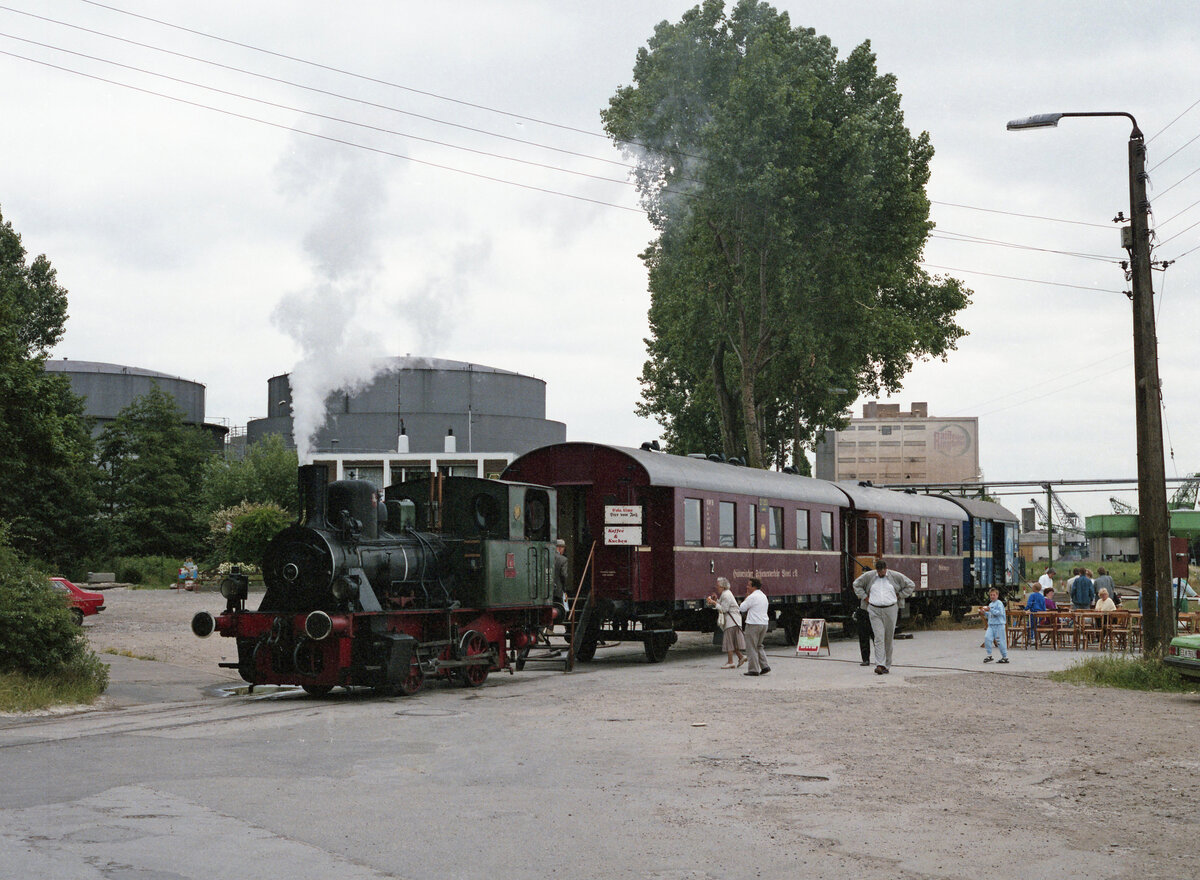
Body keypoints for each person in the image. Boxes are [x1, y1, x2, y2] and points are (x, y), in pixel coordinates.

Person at [852, 559, 915, 675]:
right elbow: (856, 584)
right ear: (876, 570)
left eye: (883, 571)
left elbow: (910, 585)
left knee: (888, 638)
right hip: (874, 609)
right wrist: (864, 597)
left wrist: (900, 595)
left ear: (886, 569)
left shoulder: (895, 576)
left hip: (890, 609)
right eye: (879, 571)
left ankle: (887, 664)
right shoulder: (869, 576)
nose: (881, 573)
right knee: (878, 637)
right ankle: (879, 665)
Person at [705, 577, 746, 669]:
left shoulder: (726, 594)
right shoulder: (725, 594)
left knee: (729, 641)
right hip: (733, 621)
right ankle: (741, 657)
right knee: (732, 642)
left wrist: (713, 603)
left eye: (718, 586)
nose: (717, 587)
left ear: (723, 587)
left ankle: (731, 661)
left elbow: (724, 609)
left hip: (732, 621)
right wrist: (716, 601)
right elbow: (723, 604)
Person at [738, 578, 770, 677]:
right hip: (764, 623)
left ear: (754, 586)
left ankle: (753, 669)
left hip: (753, 623)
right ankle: (764, 666)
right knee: (759, 645)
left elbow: (742, 608)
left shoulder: (752, 597)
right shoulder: (763, 596)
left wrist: (746, 597)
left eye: (749, 585)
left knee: (751, 646)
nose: (747, 587)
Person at [982, 588, 1009, 664]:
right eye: (991, 595)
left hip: (999, 625)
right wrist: (985, 612)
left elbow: (999, 613)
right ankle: (989, 655)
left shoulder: (999, 603)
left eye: (994, 595)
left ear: (997, 595)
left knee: (1000, 641)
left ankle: (1004, 656)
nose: (992, 596)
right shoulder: (990, 604)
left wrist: (990, 610)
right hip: (991, 625)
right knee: (987, 638)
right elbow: (991, 615)